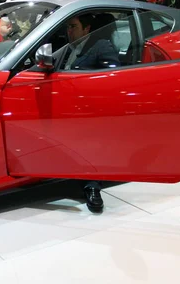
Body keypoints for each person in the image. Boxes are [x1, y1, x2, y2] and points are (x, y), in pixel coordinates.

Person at [61, 13, 120, 212]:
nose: (69, 31)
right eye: (68, 27)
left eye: (73, 27)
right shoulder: (68, 47)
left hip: (88, 107)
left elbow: (113, 75)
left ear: (86, 29)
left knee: (87, 137)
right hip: (65, 103)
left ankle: (92, 186)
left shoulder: (100, 45)